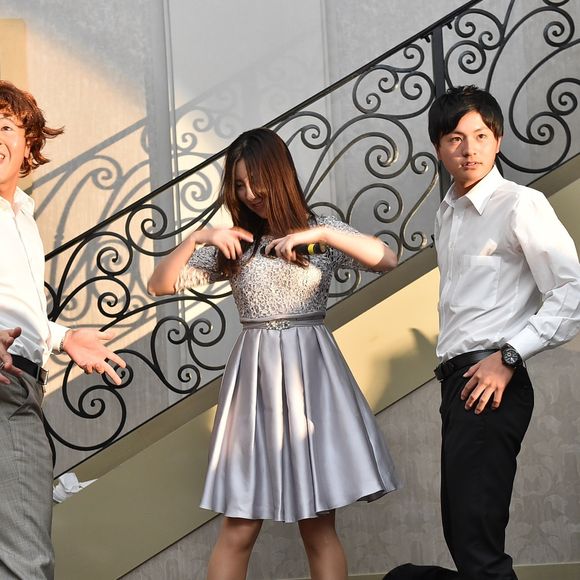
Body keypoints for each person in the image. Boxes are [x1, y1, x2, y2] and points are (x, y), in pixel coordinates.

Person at [148, 127, 399, 580]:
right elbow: (159, 284)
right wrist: (199, 238)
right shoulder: (238, 241)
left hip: (313, 381)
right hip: (256, 383)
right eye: (239, 184)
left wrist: (320, 232)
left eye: (256, 180)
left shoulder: (319, 233)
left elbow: (386, 258)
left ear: (279, 173)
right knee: (238, 528)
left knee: (318, 527)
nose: (250, 193)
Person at [384, 85, 580, 579]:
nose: (468, 149)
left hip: (493, 381)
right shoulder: (447, 214)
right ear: (438, 147)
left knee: (476, 546)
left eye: (480, 136)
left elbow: (571, 292)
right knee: (464, 536)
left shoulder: (520, 204)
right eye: (455, 138)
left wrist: (509, 357)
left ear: (498, 140)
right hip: (457, 385)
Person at [0, 80, 126, 579]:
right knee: (25, 563)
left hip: (23, 381)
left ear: (29, 140)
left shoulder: (22, 214)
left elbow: (16, 305)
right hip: (6, 391)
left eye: (5, 126)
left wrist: (62, 337)